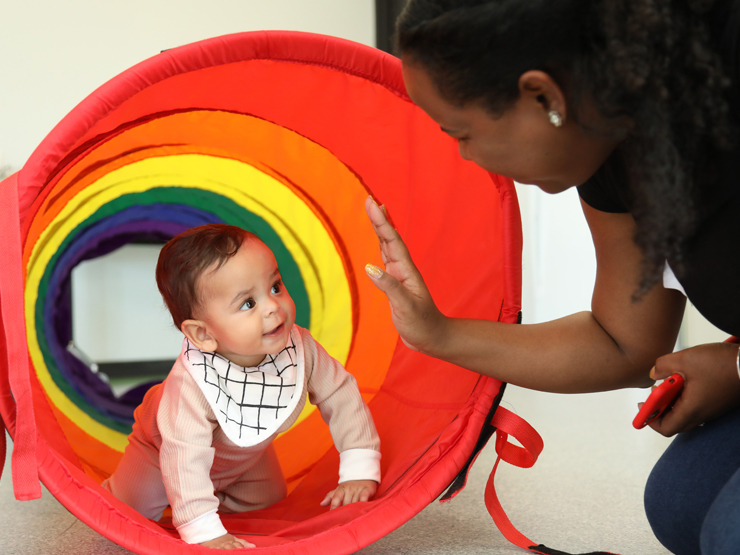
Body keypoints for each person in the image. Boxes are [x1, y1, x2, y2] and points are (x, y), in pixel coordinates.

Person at [362, 1, 740, 554]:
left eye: (461, 132)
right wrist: (435, 332)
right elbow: (624, 343)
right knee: (679, 503)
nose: (464, 156)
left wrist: (735, 366)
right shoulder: (613, 150)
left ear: (544, 96)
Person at [104, 224, 381, 549]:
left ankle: (215, 501)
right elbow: (184, 456)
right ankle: (169, 504)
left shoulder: (299, 348)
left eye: (275, 286)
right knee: (127, 513)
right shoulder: (191, 385)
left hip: (244, 456)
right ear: (204, 335)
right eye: (248, 304)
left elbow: (341, 394)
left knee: (269, 506)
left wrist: (359, 468)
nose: (272, 306)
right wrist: (205, 532)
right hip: (161, 452)